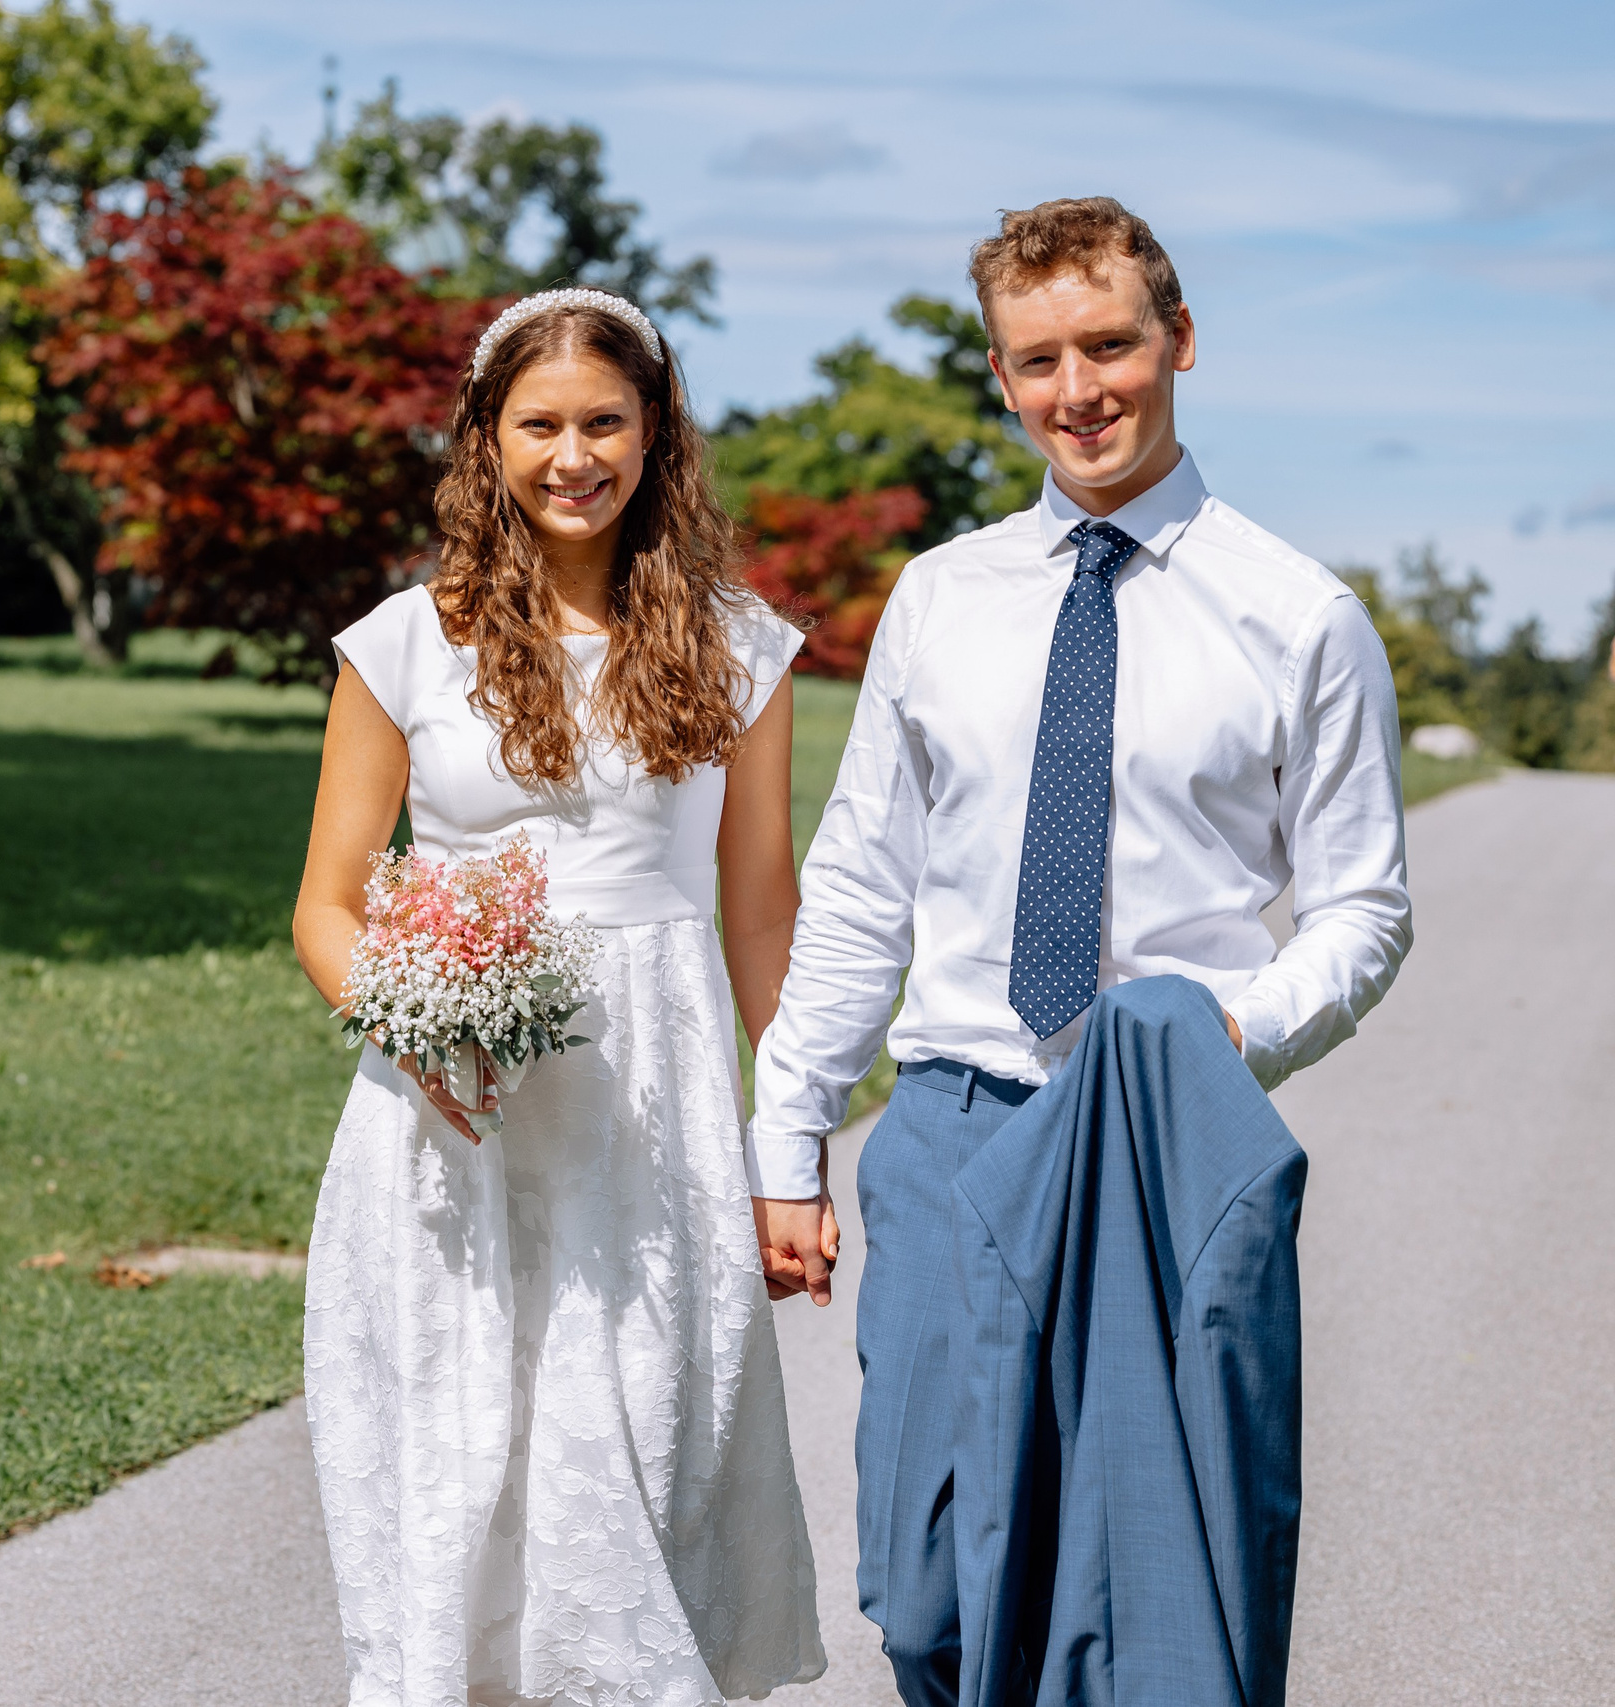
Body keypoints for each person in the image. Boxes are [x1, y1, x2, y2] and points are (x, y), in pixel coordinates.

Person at [744, 198, 1411, 1705]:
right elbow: (863, 883)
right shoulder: (944, 599)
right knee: (925, 1599)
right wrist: (789, 1134)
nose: (1080, 388)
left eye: (1111, 344)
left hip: (1166, 1137)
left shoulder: (1298, 615)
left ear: (1179, 341)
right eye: (1039, 359)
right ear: (1000, 375)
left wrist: (1232, 1040)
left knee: (1154, 1605)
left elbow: (1365, 906)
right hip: (955, 1123)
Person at [293, 288, 827, 1707]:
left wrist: (796, 1146)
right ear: (488, 438)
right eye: (540, 424)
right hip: (450, 1107)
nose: (572, 455)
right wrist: (416, 1024)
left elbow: (761, 910)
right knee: (464, 1444)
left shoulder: (741, 650)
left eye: (605, 422)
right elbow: (329, 903)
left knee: (640, 1442)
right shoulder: (404, 643)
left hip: (652, 1102)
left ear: (657, 436)